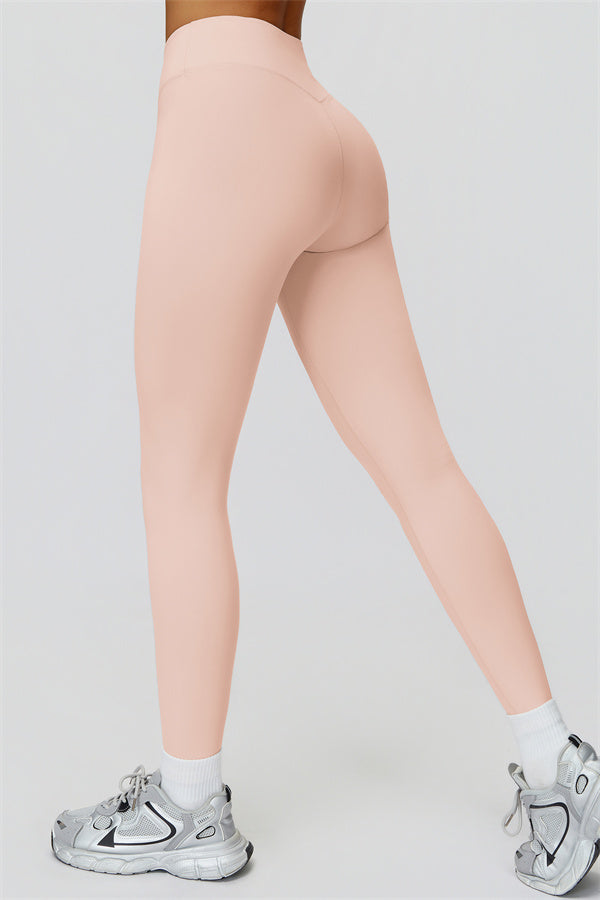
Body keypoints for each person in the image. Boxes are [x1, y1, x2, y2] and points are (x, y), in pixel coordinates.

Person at [50, 0, 600, 892]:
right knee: (425, 469)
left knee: (180, 481)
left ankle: (188, 804)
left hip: (226, 116)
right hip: (323, 128)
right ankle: (557, 764)